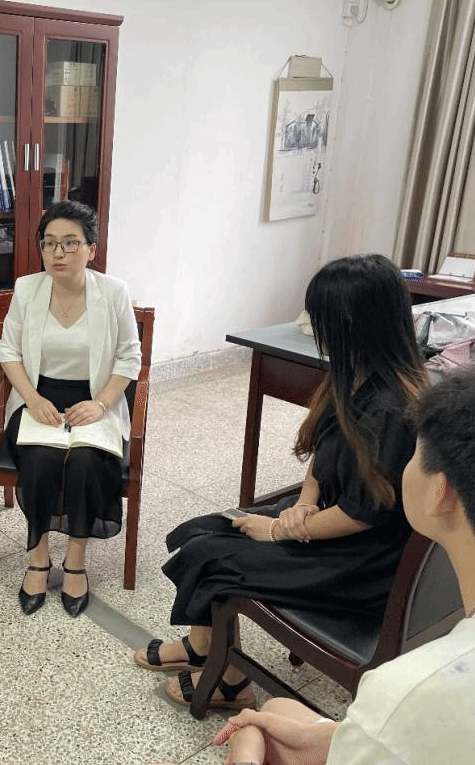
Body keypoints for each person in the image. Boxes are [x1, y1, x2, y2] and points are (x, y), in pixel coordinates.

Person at [135, 254, 427, 711]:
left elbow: (362, 515)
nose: (314, 329)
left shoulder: (391, 409)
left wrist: (279, 529)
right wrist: (304, 502)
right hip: (328, 519)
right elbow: (322, 457)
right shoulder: (353, 375)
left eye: (321, 318)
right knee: (201, 531)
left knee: (212, 558)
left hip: (359, 561)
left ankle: (231, 681)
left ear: (353, 323)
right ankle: (202, 645)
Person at [213, 362, 475, 764]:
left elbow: (399, 730)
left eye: (414, 454)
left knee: (255, 734)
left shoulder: (408, 693)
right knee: (278, 713)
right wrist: (330, 738)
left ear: (440, 493)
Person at [0, 200, 141, 617]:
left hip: (93, 401)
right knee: (40, 459)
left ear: (91, 249)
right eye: (49, 243)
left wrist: (101, 404)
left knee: (86, 461)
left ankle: (76, 560)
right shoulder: (27, 289)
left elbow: (130, 358)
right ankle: (38, 557)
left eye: (70, 243)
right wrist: (32, 398)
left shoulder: (113, 292)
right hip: (38, 397)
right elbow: (7, 350)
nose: (58, 252)